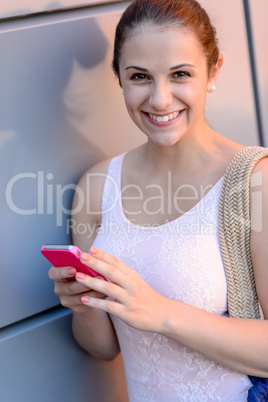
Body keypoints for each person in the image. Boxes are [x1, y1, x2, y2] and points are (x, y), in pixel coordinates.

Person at [48, 0, 268, 400]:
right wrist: (84, 303)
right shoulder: (97, 186)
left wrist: (163, 313)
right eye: (140, 77)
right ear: (119, 78)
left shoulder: (255, 182)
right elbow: (103, 348)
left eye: (180, 74)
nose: (161, 99)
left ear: (213, 71)